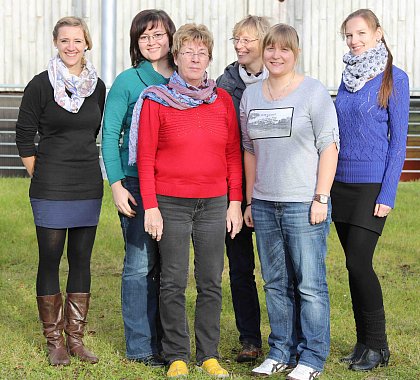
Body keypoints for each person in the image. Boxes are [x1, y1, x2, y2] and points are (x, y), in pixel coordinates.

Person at [131, 23, 243, 378]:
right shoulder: (155, 100)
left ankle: (208, 354)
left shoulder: (222, 100)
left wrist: (235, 202)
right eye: (188, 52)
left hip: (213, 203)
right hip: (170, 204)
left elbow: (232, 156)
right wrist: (150, 206)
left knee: (211, 280)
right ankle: (176, 354)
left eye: (202, 53)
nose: (195, 59)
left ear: (209, 58)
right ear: (175, 57)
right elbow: (145, 157)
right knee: (173, 280)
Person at [241, 24, 339, 379]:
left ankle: (312, 357)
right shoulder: (251, 96)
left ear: (294, 53)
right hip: (265, 204)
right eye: (270, 49)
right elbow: (249, 150)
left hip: (303, 203)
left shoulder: (313, 93)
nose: (276, 55)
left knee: (310, 284)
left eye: (284, 50)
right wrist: (251, 199)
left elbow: (329, 147)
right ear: (263, 52)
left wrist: (320, 197)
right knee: (275, 282)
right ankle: (280, 350)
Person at [15, 17, 106, 366]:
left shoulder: (97, 87)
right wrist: (43, 174)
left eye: (77, 40)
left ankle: (77, 339)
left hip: (86, 183)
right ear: (56, 42)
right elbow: (24, 134)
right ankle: (54, 341)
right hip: (51, 185)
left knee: (81, 260)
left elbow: (94, 130)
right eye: (64, 40)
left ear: (87, 44)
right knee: (50, 260)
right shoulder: (40, 86)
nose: (71, 47)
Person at [331, 8, 409, 371]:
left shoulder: (396, 78)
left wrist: (388, 193)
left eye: (360, 33)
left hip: (371, 184)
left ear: (378, 33)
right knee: (352, 266)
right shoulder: (347, 80)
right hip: (340, 184)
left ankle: (379, 346)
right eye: (348, 35)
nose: (354, 41)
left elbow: (398, 144)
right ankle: (363, 344)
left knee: (359, 262)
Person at [101, 9, 176, 366]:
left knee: (169, 265)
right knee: (139, 263)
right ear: (136, 42)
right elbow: (109, 135)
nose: (152, 42)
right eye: (144, 36)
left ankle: (167, 340)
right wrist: (116, 184)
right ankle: (141, 347)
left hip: (174, 183)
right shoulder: (128, 82)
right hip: (134, 181)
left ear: (170, 37)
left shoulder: (182, 79)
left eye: (158, 34)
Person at [216, 15, 270, 363]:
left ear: (265, 43)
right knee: (239, 267)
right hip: (231, 187)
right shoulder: (224, 82)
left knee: (279, 269)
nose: (240, 45)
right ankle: (249, 338)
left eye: (248, 39)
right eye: (237, 38)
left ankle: (286, 337)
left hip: (271, 186)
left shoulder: (282, 80)